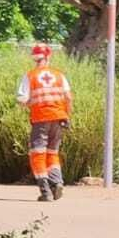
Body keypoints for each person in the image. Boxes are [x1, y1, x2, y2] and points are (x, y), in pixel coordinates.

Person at [16, 43, 70, 201]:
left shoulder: (30, 75)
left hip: (40, 119)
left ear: (34, 58)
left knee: (37, 153)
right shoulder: (59, 75)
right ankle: (57, 182)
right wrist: (66, 115)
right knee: (52, 152)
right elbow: (68, 97)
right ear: (48, 57)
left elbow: (22, 99)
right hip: (59, 117)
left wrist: (30, 103)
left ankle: (45, 191)